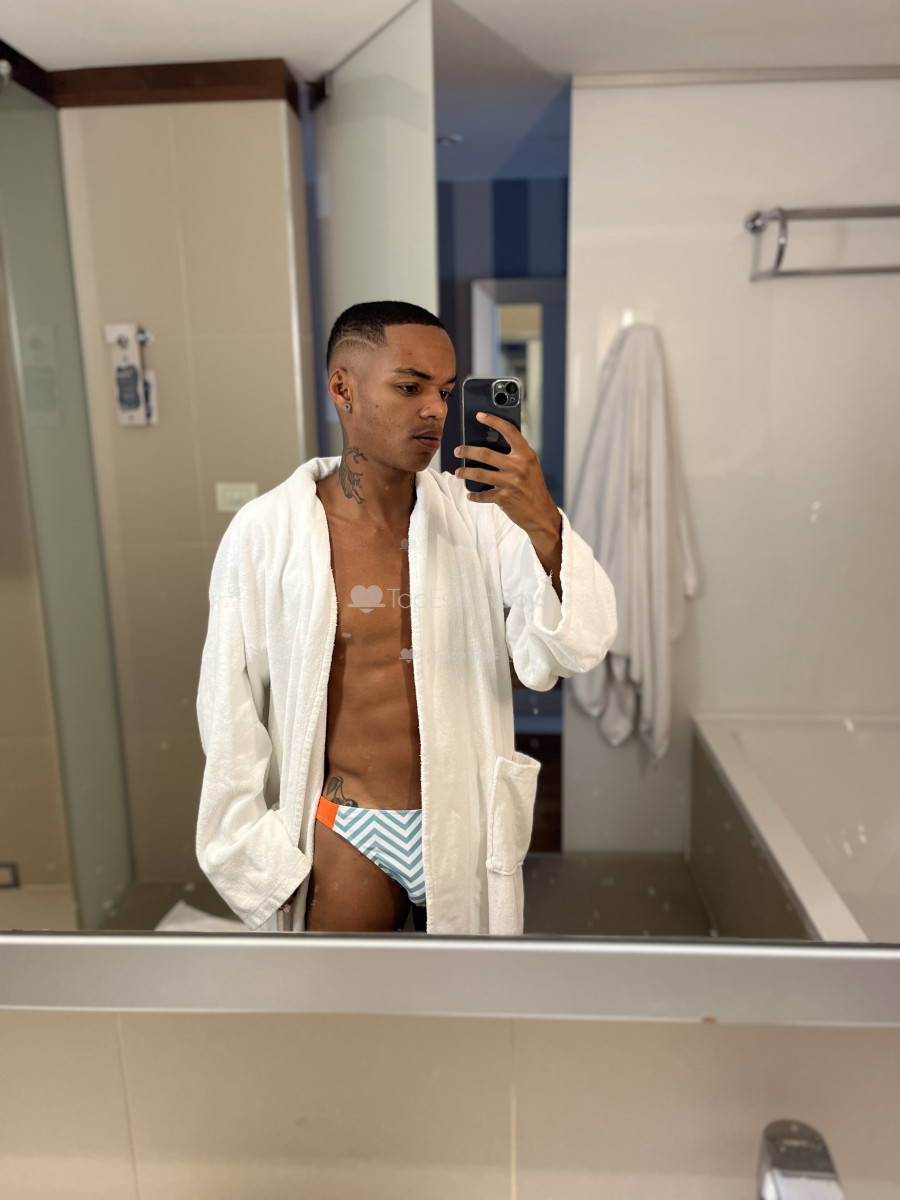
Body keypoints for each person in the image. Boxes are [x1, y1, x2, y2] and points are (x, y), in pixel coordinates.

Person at [196, 299, 617, 935]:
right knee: (352, 999)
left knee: (461, 997)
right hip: (345, 827)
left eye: (445, 391)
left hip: (465, 824)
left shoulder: (482, 517)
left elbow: (577, 644)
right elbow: (227, 707)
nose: (436, 410)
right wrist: (251, 855)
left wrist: (541, 519)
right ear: (343, 388)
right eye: (409, 387)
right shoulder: (267, 533)